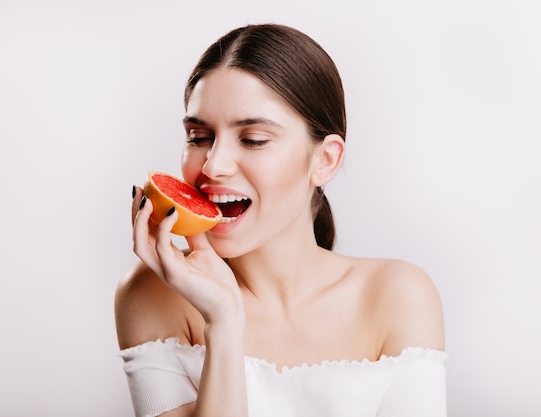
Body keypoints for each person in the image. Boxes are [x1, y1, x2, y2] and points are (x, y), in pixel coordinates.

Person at [115, 23, 447, 417]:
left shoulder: (398, 295)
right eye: (199, 137)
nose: (213, 165)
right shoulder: (153, 295)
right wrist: (222, 323)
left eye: (253, 139)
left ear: (324, 160)